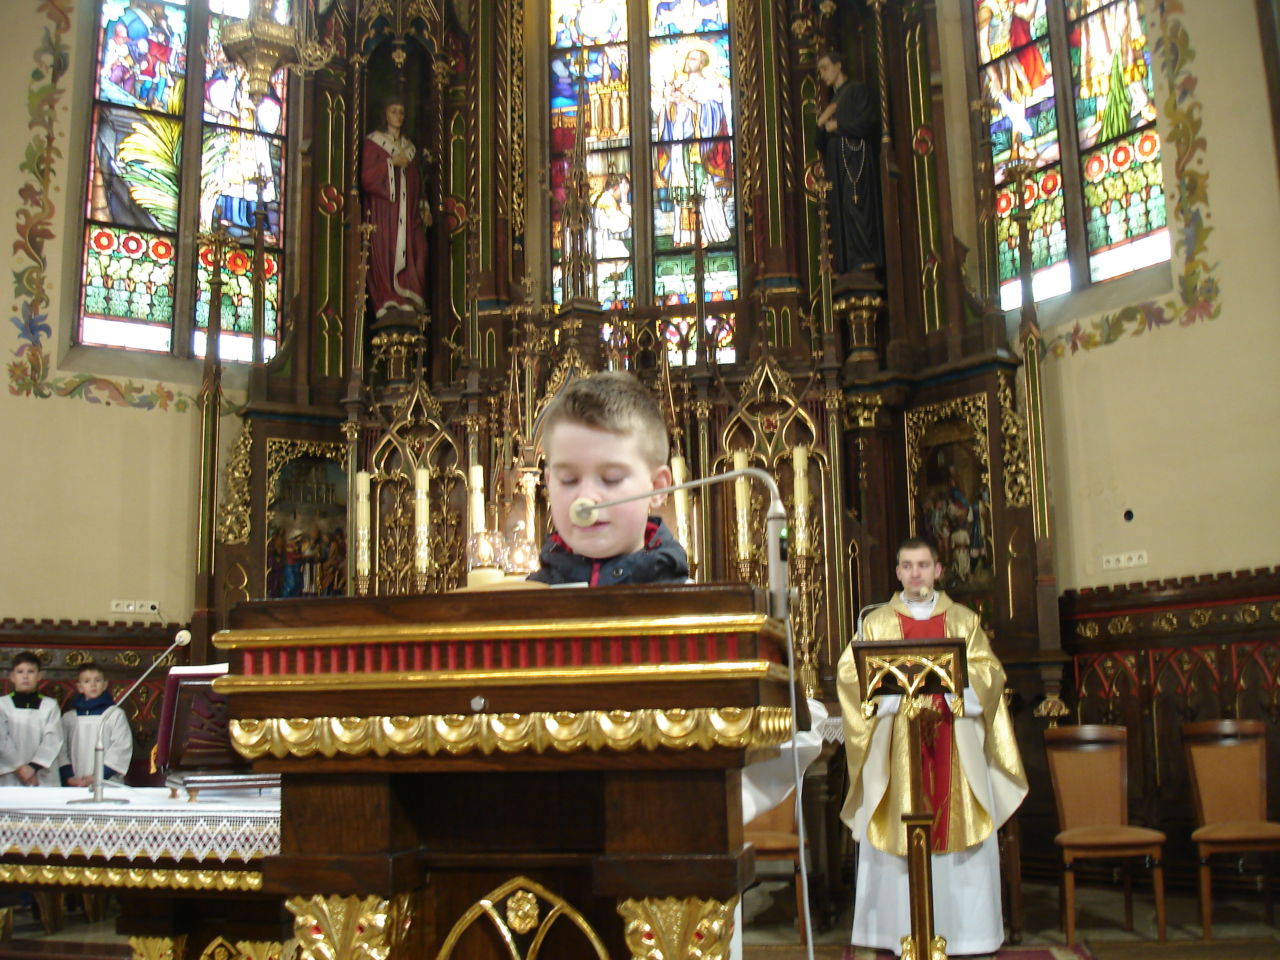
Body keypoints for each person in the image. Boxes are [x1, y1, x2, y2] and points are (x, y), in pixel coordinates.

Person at [836, 538, 1026, 955]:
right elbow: (850, 674)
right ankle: (893, 932)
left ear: (938, 570)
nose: (916, 573)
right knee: (895, 822)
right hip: (897, 748)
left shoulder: (962, 620)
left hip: (953, 740)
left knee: (959, 820)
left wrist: (959, 693)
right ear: (898, 572)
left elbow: (989, 672)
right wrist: (885, 699)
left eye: (923, 565)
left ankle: (968, 934)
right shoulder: (876, 623)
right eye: (907, 566)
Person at [529, 371, 687, 585]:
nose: (586, 498)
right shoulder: (528, 598)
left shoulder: (688, 601)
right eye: (568, 479)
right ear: (549, 483)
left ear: (657, 487)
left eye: (612, 479)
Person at [361, 96, 431, 322]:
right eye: (393, 111)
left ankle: (409, 297)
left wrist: (424, 206)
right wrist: (391, 164)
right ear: (385, 114)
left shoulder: (411, 149)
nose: (398, 116)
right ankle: (387, 298)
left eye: (401, 112)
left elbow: (418, 183)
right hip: (385, 212)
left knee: (419, 248)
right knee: (386, 250)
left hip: (409, 214)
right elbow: (367, 177)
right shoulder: (374, 142)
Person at [815, 50, 883, 273]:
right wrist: (822, 123)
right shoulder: (833, 100)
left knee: (857, 208)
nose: (823, 74)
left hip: (856, 163)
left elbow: (868, 122)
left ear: (838, 65)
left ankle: (864, 261)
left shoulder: (856, 91)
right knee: (843, 213)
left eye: (825, 68)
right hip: (838, 167)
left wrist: (838, 125)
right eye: (820, 70)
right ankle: (848, 265)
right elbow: (819, 141)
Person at [58, 663, 133, 787]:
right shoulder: (69, 718)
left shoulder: (115, 714)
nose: (93, 685)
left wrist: (99, 776)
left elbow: (121, 748)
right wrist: (69, 777)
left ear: (105, 685)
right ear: (80, 687)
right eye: (87, 681)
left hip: (107, 783)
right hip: (76, 781)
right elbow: (61, 749)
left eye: (97, 680)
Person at [0, 652, 64, 787]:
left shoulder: (50, 705)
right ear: (12, 677)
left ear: (39, 676)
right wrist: (20, 767)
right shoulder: (2, 705)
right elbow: (2, 740)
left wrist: (33, 767)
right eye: (20, 672)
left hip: (42, 774)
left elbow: (53, 739)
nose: (25, 676)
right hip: (10, 774)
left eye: (31, 671)